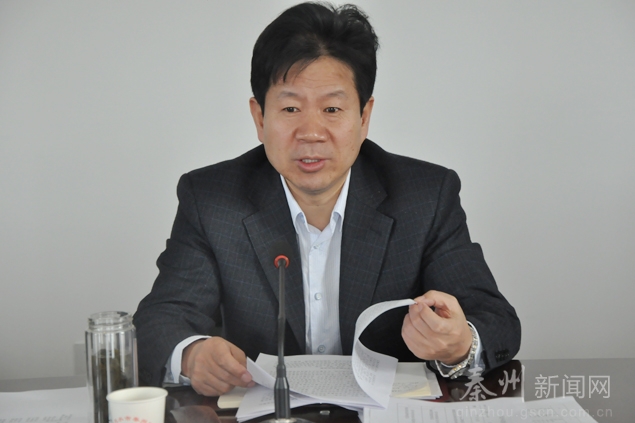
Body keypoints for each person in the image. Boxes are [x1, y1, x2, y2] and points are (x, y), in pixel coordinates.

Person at [133, 2, 521, 396]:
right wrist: (191, 354)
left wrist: (459, 344)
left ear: (364, 117)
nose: (311, 132)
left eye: (332, 108)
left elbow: (497, 320)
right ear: (260, 118)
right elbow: (160, 319)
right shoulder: (213, 200)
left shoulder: (424, 197)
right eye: (290, 108)